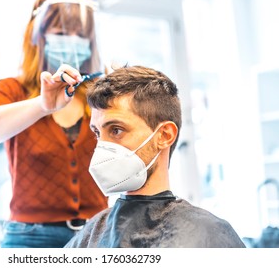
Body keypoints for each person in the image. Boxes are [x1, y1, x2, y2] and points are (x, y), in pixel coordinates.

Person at [0, 0, 108, 248]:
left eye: (80, 34)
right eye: (61, 32)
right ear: (37, 36)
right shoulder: (13, 90)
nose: (71, 40)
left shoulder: (98, 95)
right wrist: (42, 106)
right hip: (29, 239)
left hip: (97, 235)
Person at [64, 65, 246, 248]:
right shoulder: (94, 231)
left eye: (116, 130)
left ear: (165, 135)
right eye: (97, 133)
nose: (101, 146)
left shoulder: (207, 233)